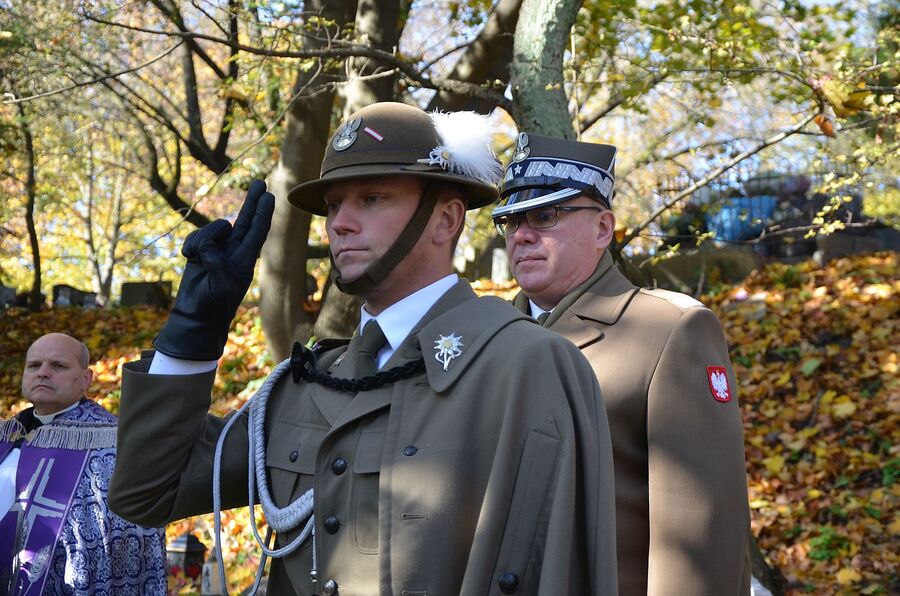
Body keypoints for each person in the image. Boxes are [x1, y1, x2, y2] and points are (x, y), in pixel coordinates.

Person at [108, 102, 618, 595]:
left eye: (372, 198)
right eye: (333, 206)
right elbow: (147, 493)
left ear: (446, 220)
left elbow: (555, 569)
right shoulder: (308, 381)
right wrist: (191, 337)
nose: (340, 224)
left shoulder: (526, 365)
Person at [492, 133, 752, 595]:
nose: (523, 234)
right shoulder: (487, 337)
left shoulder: (669, 329)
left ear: (602, 229)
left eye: (545, 215)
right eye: (510, 222)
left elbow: (699, 536)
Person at [0, 333, 167, 595]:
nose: (43, 373)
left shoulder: (111, 443)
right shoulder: (7, 435)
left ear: (86, 379)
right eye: (34, 365)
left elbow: (124, 542)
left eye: (58, 366)